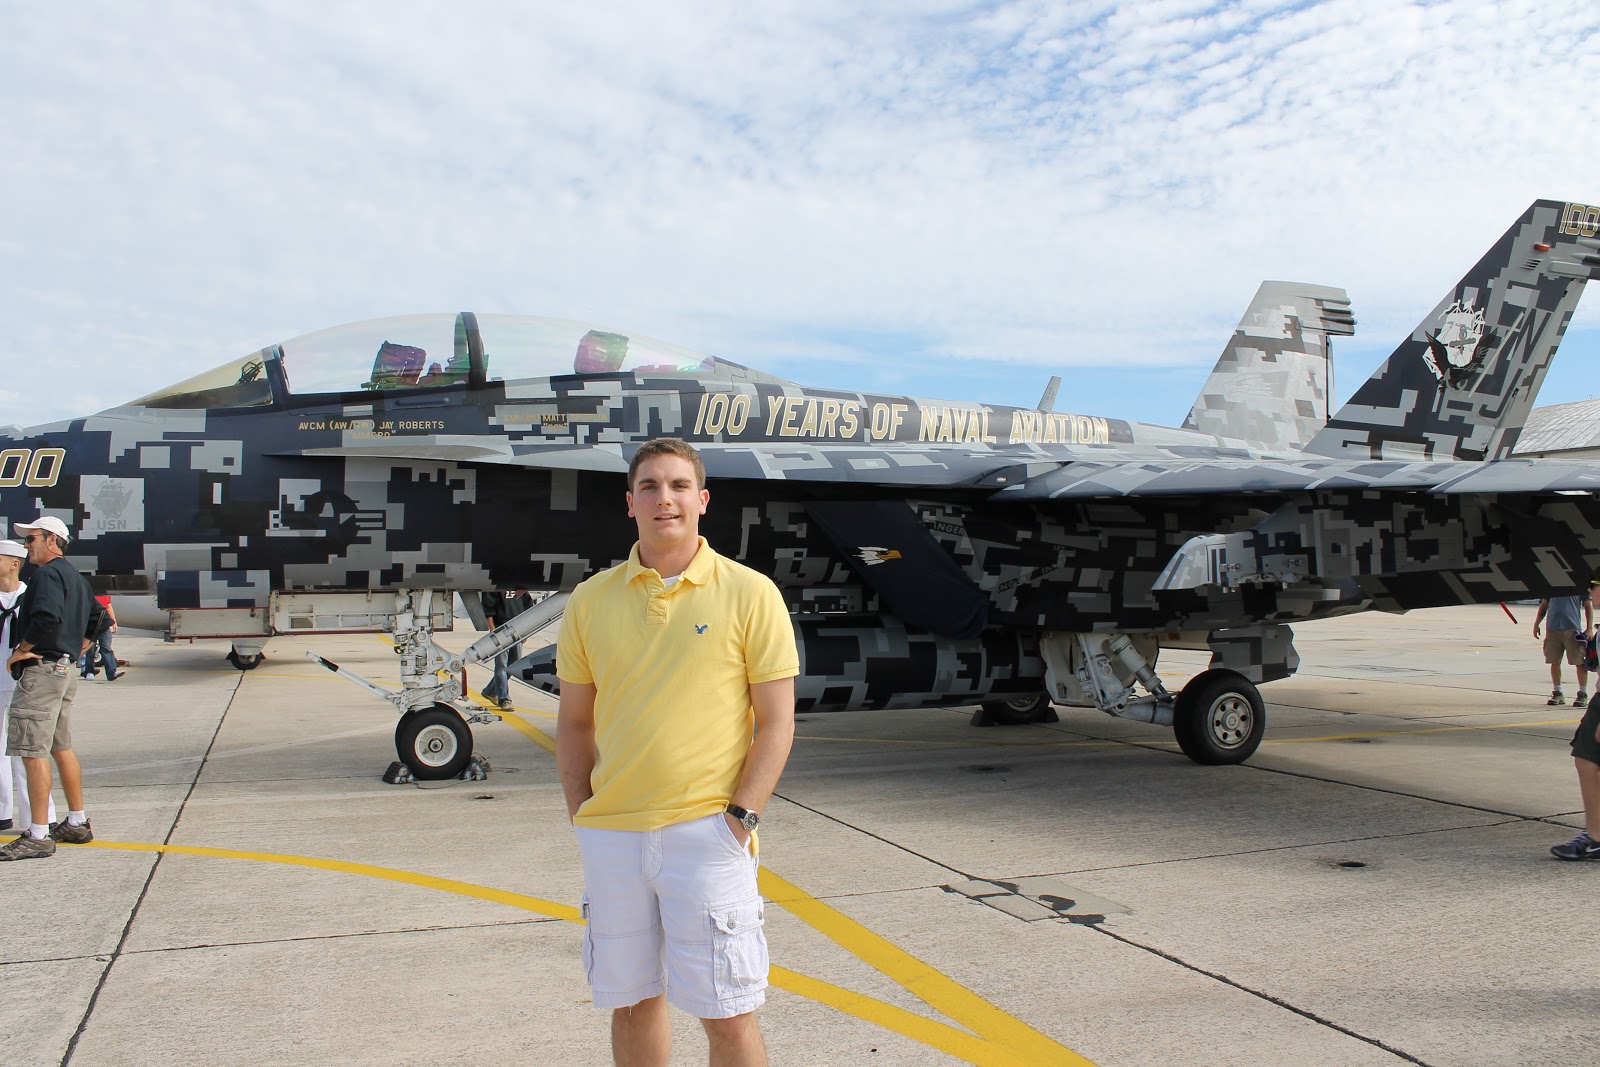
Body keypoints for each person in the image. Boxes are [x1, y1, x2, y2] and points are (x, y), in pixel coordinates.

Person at [556, 438, 799, 1067]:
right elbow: (576, 721)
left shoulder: (751, 594)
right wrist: (584, 814)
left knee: (728, 1012)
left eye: (678, 486)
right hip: (614, 838)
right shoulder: (590, 601)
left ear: (702, 500)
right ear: (630, 503)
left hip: (707, 835)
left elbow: (776, 723)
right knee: (632, 1002)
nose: (665, 499)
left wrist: (739, 821)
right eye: (650, 487)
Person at [0, 516, 104, 860]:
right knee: (62, 746)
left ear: (51, 540)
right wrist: (77, 647)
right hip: (64, 669)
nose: (27, 546)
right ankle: (76, 820)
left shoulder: (45, 575)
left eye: (31, 539)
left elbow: (46, 616)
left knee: (32, 750)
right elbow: (98, 618)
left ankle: (38, 833)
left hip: (42, 671)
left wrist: (22, 649)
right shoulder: (74, 576)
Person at [0, 538, 57, 836]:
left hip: (25, 679)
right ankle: (1, 811)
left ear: (14, 563)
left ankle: (39, 816)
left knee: (28, 750)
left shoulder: (31, 596)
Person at [1534, 589, 1594, 706]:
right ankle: (1558, 692)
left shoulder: (1578, 586)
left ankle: (1582, 693)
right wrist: (1537, 623)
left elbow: (1588, 606)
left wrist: (1589, 628)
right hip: (1552, 629)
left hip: (1571, 628)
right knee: (1554, 661)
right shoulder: (1552, 586)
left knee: (1579, 662)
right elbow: (1544, 606)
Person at [479, 589, 532, 710]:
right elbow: (488, 609)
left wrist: (526, 630)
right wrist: (493, 630)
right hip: (501, 630)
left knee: (514, 665)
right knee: (501, 665)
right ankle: (504, 699)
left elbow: (528, 604)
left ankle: (490, 691)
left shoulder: (518, 584)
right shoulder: (496, 585)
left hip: (518, 629)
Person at [80, 594, 121, 681]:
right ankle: (89, 671)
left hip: (104, 624)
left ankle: (111, 672)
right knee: (90, 649)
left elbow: (109, 607)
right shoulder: (88, 594)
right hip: (91, 624)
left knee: (106, 647)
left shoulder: (105, 595)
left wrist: (114, 622)